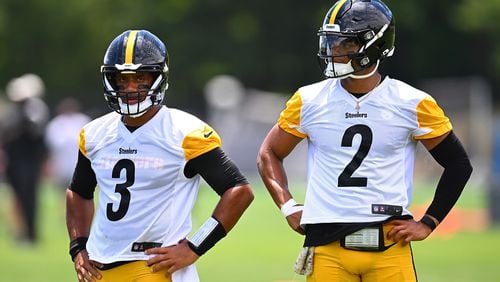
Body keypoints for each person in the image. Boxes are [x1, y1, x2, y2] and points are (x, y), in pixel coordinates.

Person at [256, 0, 473, 281]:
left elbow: (458, 164)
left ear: (372, 47)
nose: (332, 50)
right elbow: (269, 153)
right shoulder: (309, 100)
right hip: (327, 245)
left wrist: (429, 222)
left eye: (343, 44)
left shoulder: (411, 102)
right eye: (331, 42)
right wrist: (288, 206)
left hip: (389, 243)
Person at [66, 30, 254, 282]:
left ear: (158, 78)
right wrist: (78, 247)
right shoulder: (95, 133)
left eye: (140, 77)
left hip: (154, 267)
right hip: (99, 270)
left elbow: (238, 190)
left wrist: (194, 246)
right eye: (122, 78)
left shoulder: (185, 132)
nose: (130, 87)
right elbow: (78, 191)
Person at [0, 73, 49, 244]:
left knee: (29, 197)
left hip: (28, 162)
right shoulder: (12, 113)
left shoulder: (34, 110)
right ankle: (21, 231)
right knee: (17, 197)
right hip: (14, 162)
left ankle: (30, 233)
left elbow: (37, 135)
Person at [45, 97, 91, 189]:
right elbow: (51, 145)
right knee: (62, 189)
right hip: (61, 162)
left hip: (80, 161)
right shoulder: (56, 123)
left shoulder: (82, 120)